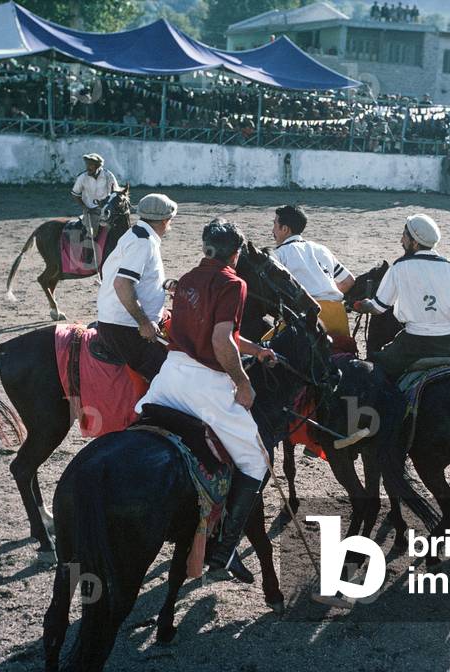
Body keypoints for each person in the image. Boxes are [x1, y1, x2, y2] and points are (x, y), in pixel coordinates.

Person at [135, 219, 277, 583]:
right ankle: (223, 549)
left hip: (169, 379)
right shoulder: (233, 282)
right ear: (236, 253)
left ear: (204, 248)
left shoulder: (185, 280)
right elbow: (219, 341)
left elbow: (223, 335)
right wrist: (243, 383)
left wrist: (256, 350)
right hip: (206, 387)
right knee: (257, 461)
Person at [354, 214, 450, 381]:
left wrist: (364, 305)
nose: (401, 240)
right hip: (449, 344)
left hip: (414, 344)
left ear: (415, 243)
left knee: (373, 369)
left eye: (404, 236)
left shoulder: (399, 266)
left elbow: (378, 308)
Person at [95, 193, 176, 380]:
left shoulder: (137, 235)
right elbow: (122, 284)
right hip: (126, 326)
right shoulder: (143, 243)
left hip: (123, 320)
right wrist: (144, 323)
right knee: (166, 379)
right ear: (165, 220)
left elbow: (141, 278)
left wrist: (165, 285)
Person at [271, 205, 355, 344]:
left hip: (308, 318)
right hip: (337, 314)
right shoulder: (322, 249)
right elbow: (348, 281)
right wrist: (325, 291)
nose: (272, 230)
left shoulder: (279, 254)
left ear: (285, 229)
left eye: (275, 224)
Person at [70, 152, 119, 273]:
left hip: (107, 209)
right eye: (87, 164)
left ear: (98, 166)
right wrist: (85, 207)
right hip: (91, 209)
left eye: (91, 165)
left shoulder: (108, 175)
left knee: (118, 229)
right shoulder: (82, 177)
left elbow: (115, 192)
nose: (88, 167)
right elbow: (75, 194)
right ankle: (88, 258)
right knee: (91, 232)